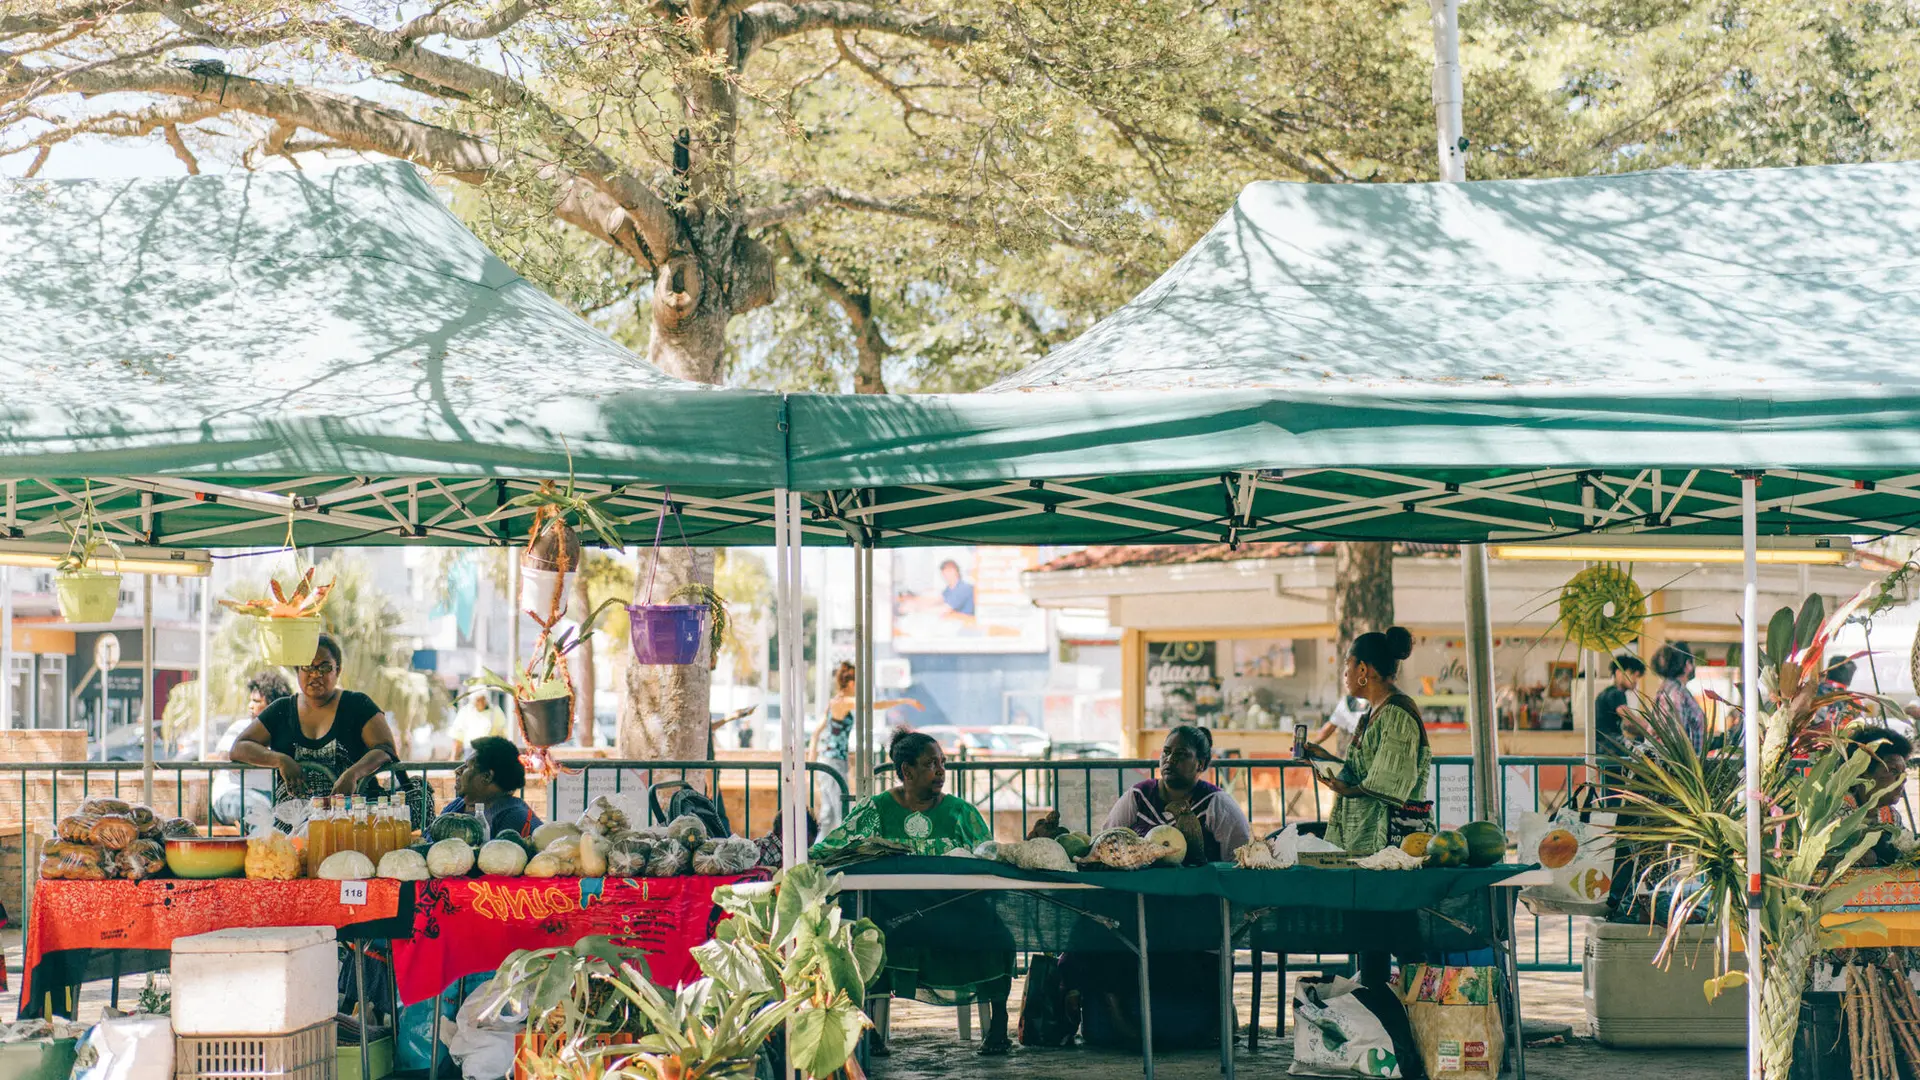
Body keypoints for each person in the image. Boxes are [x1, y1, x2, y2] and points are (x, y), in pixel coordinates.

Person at [1036, 726, 1251, 1050]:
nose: (1170, 760)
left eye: (1182, 754)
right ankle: (1101, 1006)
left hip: (1192, 921)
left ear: (1202, 763)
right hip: (1134, 914)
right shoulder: (1137, 798)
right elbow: (1103, 848)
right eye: (1166, 752)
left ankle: (1207, 1017)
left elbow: (1240, 864)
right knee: (1095, 922)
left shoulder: (1218, 806)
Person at [811, 730, 1014, 1055]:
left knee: (999, 934)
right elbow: (834, 847)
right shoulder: (876, 810)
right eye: (931, 763)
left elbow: (988, 856)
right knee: (861, 936)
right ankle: (867, 1029)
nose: (941, 771)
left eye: (943, 763)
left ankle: (999, 1027)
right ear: (906, 771)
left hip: (955, 916)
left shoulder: (961, 812)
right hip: (896, 920)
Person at [1307, 626, 1431, 858]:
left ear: (1362, 669)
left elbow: (1390, 780)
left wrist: (1349, 790)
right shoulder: (1372, 713)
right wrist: (1326, 760)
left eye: (1348, 664)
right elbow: (1365, 772)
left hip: (1387, 843)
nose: (1345, 674)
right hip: (1363, 839)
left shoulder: (1397, 714)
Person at [231, 634, 400, 800]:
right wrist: (280, 760)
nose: (315, 674)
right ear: (297, 670)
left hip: (355, 817)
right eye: (307, 667)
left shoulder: (357, 704)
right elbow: (239, 747)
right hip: (293, 821)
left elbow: (385, 749)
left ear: (338, 670)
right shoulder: (281, 710)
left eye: (324, 667)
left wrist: (353, 774)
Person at [810, 662, 922, 831]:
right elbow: (873, 705)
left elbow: (816, 732)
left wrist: (813, 761)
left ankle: (819, 851)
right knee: (841, 811)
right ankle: (843, 850)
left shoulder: (834, 702)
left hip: (828, 760)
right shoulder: (845, 702)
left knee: (829, 814)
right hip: (833, 761)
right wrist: (904, 700)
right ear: (851, 683)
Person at [441, 735, 543, 839]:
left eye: (467, 766)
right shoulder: (456, 805)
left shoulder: (514, 816)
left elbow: (499, 853)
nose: (458, 770)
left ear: (487, 776)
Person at [1842, 724, 1912, 866]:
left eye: (1904, 773)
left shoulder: (1891, 816)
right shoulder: (1837, 811)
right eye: (1893, 771)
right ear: (1863, 773)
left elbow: (1907, 850)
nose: (1903, 779)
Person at [1651, 643, 1707, 753]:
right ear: (1688, 664)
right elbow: (1676, 737)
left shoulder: (1667, 688)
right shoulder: (1676, 693)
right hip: (1682, 767)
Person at [1594, 654, 1646, 755]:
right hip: (1608, 748)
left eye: (1637, 676)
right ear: (1618, 673)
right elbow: (1630, 722)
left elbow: (1628, 726)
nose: (1635, 680)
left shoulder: (1608, 693)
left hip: (1603, 748)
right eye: (1632, 674)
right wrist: (1651, 729)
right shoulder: (1615, 693)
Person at [1313, 693, 1365, 758]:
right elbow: (1331, 725)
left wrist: (1313, 744)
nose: (1346, 683)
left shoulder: (1347, 701)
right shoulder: (1346, 701)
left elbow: (1330, 726)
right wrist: (1314, 744)